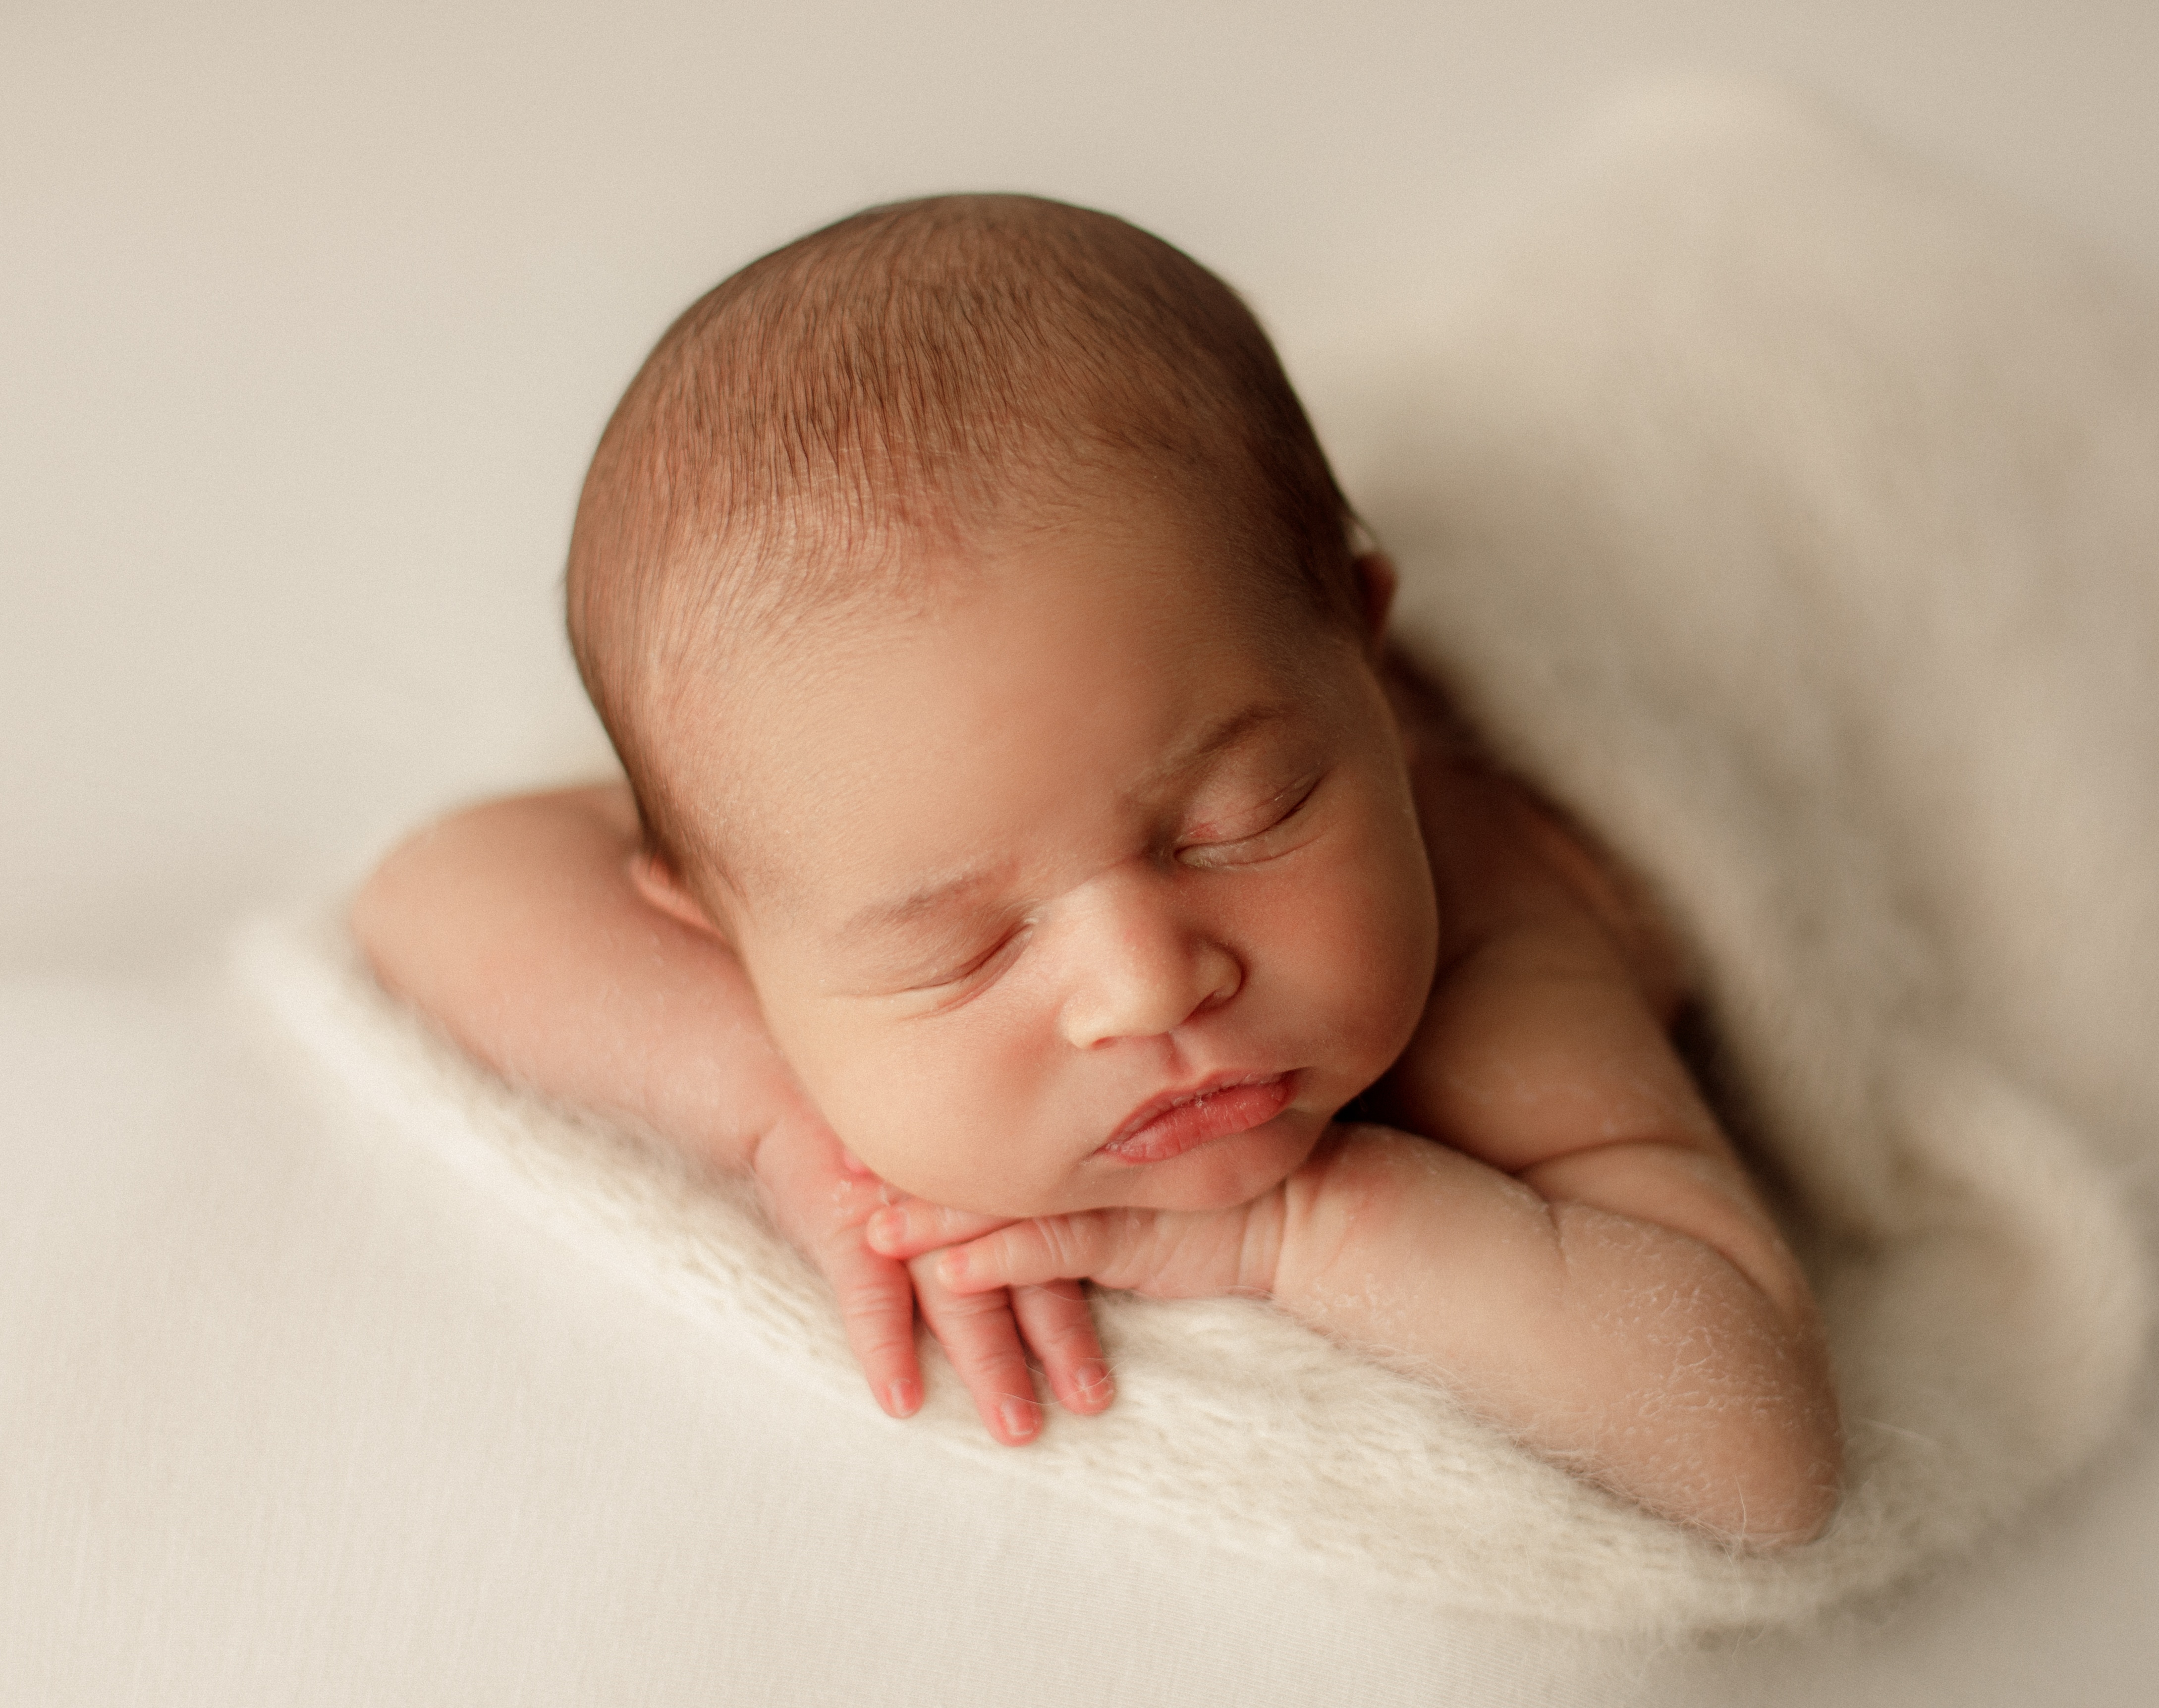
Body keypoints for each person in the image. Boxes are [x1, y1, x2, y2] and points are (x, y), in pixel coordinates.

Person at [353, 194, 1842, 1545]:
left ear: (1365, 658)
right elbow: (427, 889)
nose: (1145, 980)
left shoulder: (1484, 948)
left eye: (1236, 820)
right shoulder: (845, 785)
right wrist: (778, 1117)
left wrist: (1294, 1228)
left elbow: (1757, 1451)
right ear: (717, 927)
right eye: (966, 944)